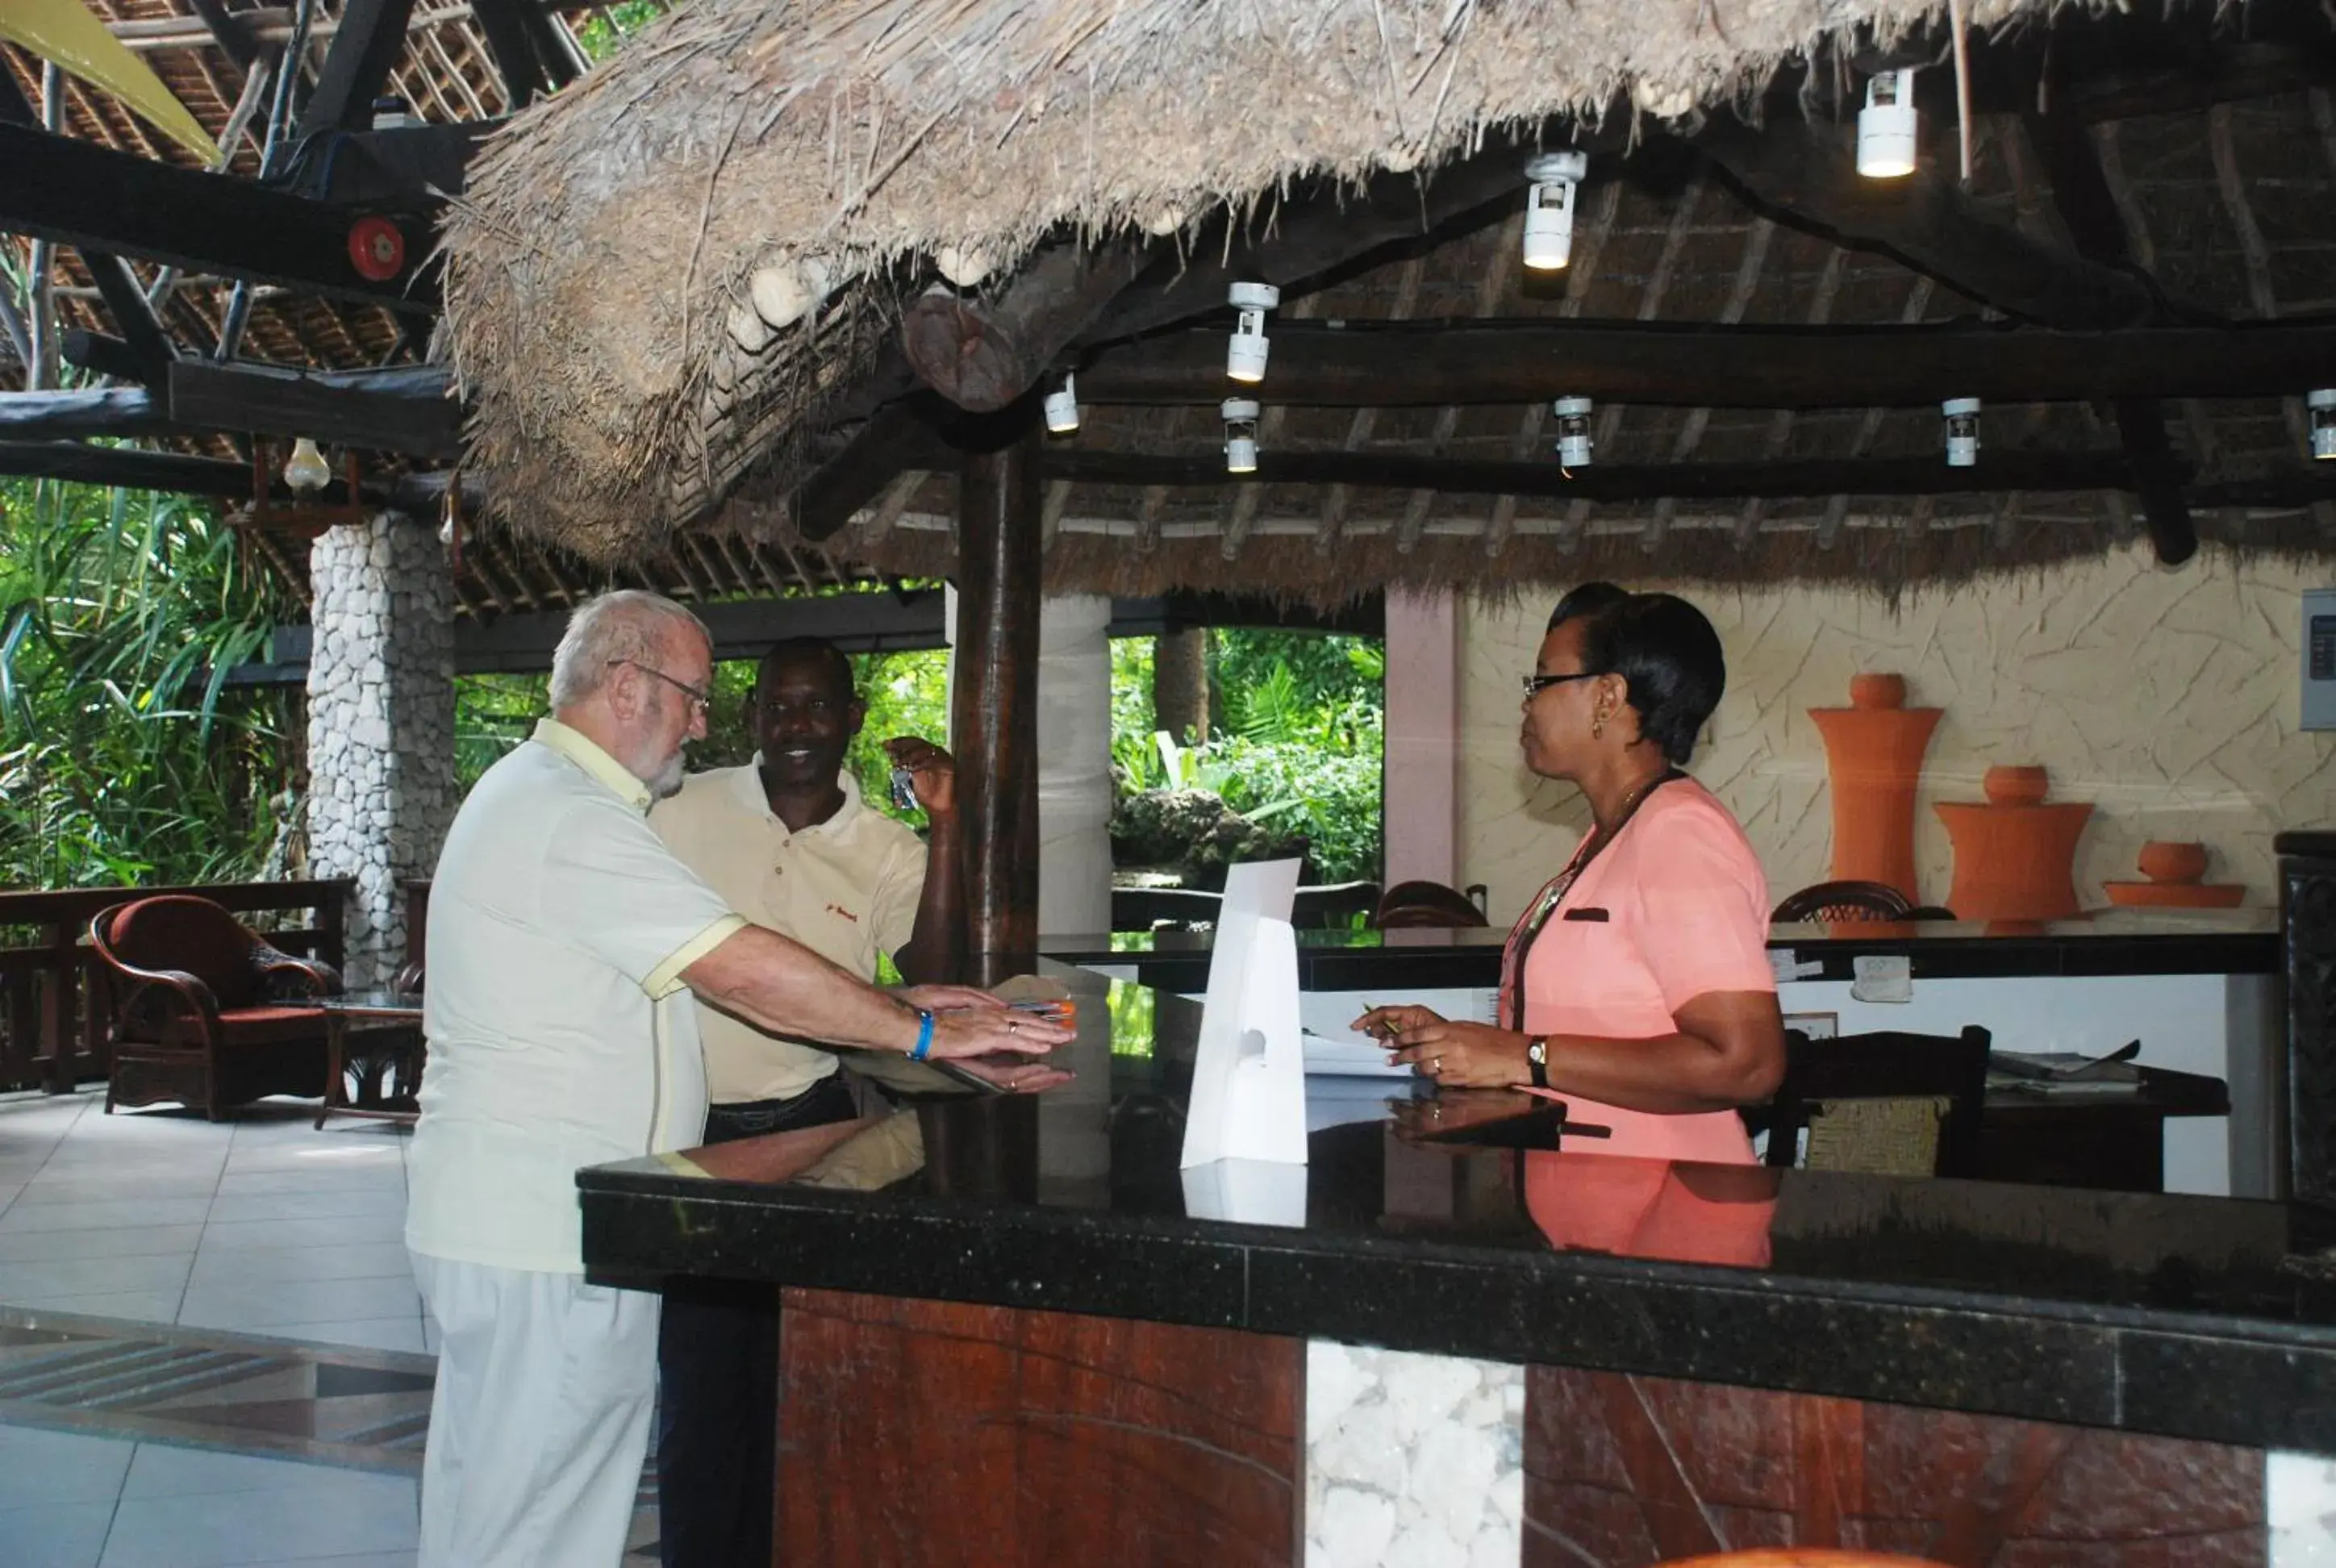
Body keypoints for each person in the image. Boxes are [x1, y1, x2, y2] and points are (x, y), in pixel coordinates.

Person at [404, 590, 1067, 1568]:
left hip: (538, 1220)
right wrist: (922, 1033)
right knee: (535, 1524)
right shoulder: (566, 815)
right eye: (696, 697)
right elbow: (741, 966)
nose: (706, 722)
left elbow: (736, 960)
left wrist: (912, 996)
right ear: (629, 686)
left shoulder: (562, 798)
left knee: (499, 1505)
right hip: (539, 1229)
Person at [645, 636, 963, 1568]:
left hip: (812, 1131)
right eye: (778, 707)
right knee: (703, 1382)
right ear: (751, 719)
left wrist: (946, 827)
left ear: (852, 718)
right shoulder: (681, 807)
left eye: (816, 707)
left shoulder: (884, 848)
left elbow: (933, 974)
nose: (796, 726)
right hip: (688, 1132)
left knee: (803, 1373)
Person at [1354, 584, 1784, 1164]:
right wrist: (1465, 1044)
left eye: (1541, 681)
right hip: (1599, 1212)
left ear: (1608, 696)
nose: (1527, 704)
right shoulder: (1615, 835)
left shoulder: (1679, 836)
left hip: (1671, 1219)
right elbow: (1603, 1027)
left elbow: (1747, 1063)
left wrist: (1522, 1056)